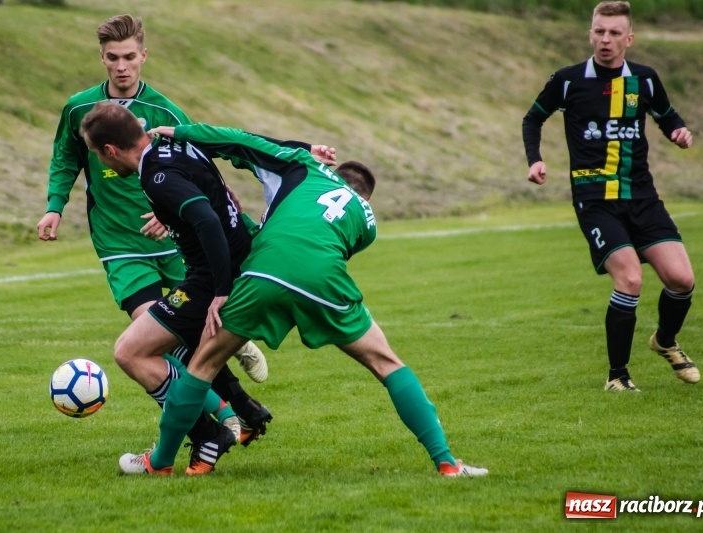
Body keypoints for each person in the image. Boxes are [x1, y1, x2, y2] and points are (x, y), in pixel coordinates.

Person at [78, 102, 489, 478]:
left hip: (261, 272)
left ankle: (163, 461)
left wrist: (185, 131)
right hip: (320, 279)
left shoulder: (301, 166)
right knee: (387, 363)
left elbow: (239, 141)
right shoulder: (368, 220)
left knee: (200, 366)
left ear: (110, 150)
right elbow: (339, 246)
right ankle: (447, 463)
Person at [34, 14, 272, 459]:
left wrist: (173, 210)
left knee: (177, 336)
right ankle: (232, 414)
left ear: (143, 56)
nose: (121, 66)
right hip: (120, 244)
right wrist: (54, 205)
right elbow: (65, 156)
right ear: (101, 58)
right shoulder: (78, 109)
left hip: (178, 245)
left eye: (129, 57)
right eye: (112, 58)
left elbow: (198, 168)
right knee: (161, 337)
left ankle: (228, 414)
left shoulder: (165, 111)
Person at [522, 1, 699, 392]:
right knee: (630, 279)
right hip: (595, 198)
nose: (605, 39)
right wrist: (535, 160)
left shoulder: (646, 80)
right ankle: (617, 376)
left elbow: (668, 116)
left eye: (614, 32)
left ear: (629, 38)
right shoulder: (568, 81)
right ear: (590, 34)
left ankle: (665, 342)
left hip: (642, 196)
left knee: (682, 279)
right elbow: (533, 116)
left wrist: (679, 131)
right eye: (599, 31)